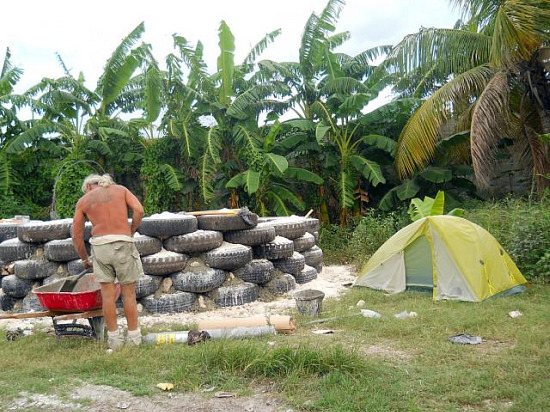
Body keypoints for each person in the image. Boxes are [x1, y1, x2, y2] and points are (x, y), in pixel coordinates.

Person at [72, 174, 145, 350]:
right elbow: (139, 210)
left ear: (88, 187)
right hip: (123, 243)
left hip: (100, 247)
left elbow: (76, 234)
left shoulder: (84, 200)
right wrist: (131, 230)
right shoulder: (121, 190)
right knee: (128, 294)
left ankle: (114, 339)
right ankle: (134, 338)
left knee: (108, 296)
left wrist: (84, 259)